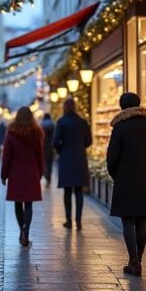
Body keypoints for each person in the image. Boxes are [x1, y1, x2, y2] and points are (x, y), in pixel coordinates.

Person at [106, 92, 146, 277]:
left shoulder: (120, 128)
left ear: (122, 106)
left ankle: (133, 261)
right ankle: (139, 260)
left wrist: (116, 174)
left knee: (128, 221)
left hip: (125, 179)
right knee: (141, 221)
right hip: (145, 179)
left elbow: (112, 157)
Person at [1, 107, 44, 246]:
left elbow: (6, 157)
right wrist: (40, 172)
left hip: (16, 172)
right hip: (31, 170)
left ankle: (22, 230)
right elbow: (40, 155)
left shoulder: (11, 133)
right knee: (29, 204)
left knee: (18, 203)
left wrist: (4, 175)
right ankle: (26, 230)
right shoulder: (36, 133)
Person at [53, 98, 91, 230]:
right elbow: (89, 140)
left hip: (66, 159)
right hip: (80, 158)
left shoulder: (61, 122)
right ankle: (78, 220)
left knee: (67, 191)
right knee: (79, 191)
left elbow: (55, 142)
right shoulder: (82, 122)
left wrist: (61, 150)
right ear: (75, 107)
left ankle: (69, 220)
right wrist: (80, 147)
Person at [40, 113, 56, 187]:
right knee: (49, 164)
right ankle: (48, 179)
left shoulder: (41, 125)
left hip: (42, 147)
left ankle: (44, 176)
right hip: (50, 147)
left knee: (43, 163)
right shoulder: (53, 125)